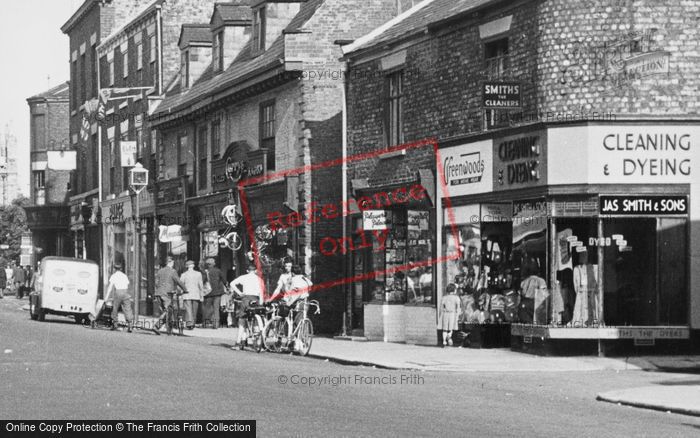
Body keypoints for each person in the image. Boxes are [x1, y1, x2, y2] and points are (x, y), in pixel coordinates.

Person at [230, 263, 264, 349]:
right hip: (256, 299)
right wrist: (261, 303)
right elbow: (261, 293)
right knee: (256, 321)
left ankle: (238, 343)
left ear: (247, 270)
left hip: (246, 299)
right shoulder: (259, 279)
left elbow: (232, 284)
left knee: (242, 321)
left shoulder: (244, 277)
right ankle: (258, 343)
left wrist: (240, 293)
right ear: (255, 271)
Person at [153, 256, 189, 335]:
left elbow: (156, 282)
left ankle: (168, 330)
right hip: (167, 294)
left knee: (167, 312)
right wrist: (185, 289)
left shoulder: (160, 271)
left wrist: (159, 289)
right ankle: (156, 326)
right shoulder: (173, 271)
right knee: (168, 311)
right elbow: (178, 281)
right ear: (171, 263)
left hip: (158, 293)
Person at [104, 263, 133, 332]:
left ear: (114, 269)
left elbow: (110, 287)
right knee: (127, 309)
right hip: (125, 292)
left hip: (118, 292)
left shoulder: (113, 276)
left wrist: (106, 297)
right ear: (121, 269)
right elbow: (127, 285)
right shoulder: (124, 276)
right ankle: (130, 325)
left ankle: (115, 324)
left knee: (115, 308)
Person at [203, 258, 227, 329]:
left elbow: (203, 281)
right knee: (216, 308)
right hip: (217, 293)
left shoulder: (205, 272)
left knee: (207, 309)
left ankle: (206, 323)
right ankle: (216, 324)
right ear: (213, 264)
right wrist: (226, 287)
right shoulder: (218, 271)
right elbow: (224, 280)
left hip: (208, 293)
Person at [180, 260, 204, 330]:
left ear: (187, 266)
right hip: (196, 294)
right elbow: (201, 285)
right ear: (193, 266)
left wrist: (181, 291)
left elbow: (181, 284)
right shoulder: (198, 274)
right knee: (194, 310)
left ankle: (189, 323)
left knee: (188, 310)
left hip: (187, 294)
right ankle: (192, 323)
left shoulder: (184, 275)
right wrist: (201, 295)